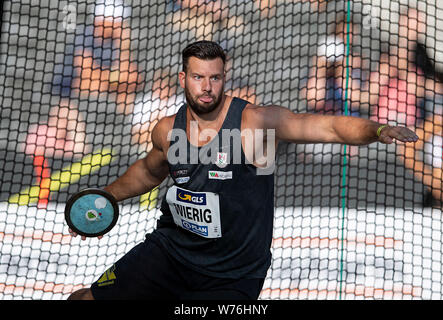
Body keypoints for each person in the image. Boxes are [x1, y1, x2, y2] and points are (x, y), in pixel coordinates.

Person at [67, 40, 418, 300]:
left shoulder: (255, 123)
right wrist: (104, 199)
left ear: (224, 78)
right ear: (183, 78)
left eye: (215, 78)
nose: (207, 87)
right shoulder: (166, 129)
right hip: (170, 253)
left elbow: (329, 128)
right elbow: (148, 171)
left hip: (232, 275)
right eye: (198, 77)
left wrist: (377, 131)